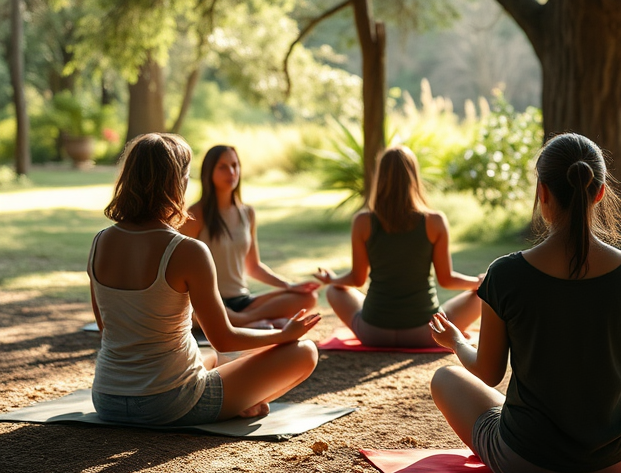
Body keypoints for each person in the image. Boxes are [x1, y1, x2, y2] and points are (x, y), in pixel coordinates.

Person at [429, 133, 621, 473]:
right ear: (601, 192)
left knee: (444, 378)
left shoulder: (505, 273)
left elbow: (488, 371)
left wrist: (456, 341)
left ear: (542, 192)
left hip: (526, 466)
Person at [88, 133, 321, 426]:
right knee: (304, 352)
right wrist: (284, 334)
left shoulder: (99, 243)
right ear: (178, 182)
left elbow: (105, 328)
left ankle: (239, 399)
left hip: (107, 398)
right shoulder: (187, 250)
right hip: (169, 402)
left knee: (211, 357)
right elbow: (224, 338)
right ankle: (242, 403)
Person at [314, 145, 483, 347]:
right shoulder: (435, 221)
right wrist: (478, 283)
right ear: (414, 176)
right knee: (482, 296)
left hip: (374, 332)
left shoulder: (362, 221)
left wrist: (332, 279)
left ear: (380, 177)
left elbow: (356, 279)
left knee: (334, 290)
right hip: (427, 333)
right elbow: (446, 280)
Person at [181, 145, 320, 327]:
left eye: (235, 165)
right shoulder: (196, 214)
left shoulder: (247, 213)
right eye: (222, 167)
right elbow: (182, 266)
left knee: (308, 297)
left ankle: (244, 321)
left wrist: (290, 286)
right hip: (208, 302)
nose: (231, 172)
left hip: (242, 301)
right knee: (197, 314)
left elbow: (253, 267)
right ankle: (249, 323)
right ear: (209, 172)